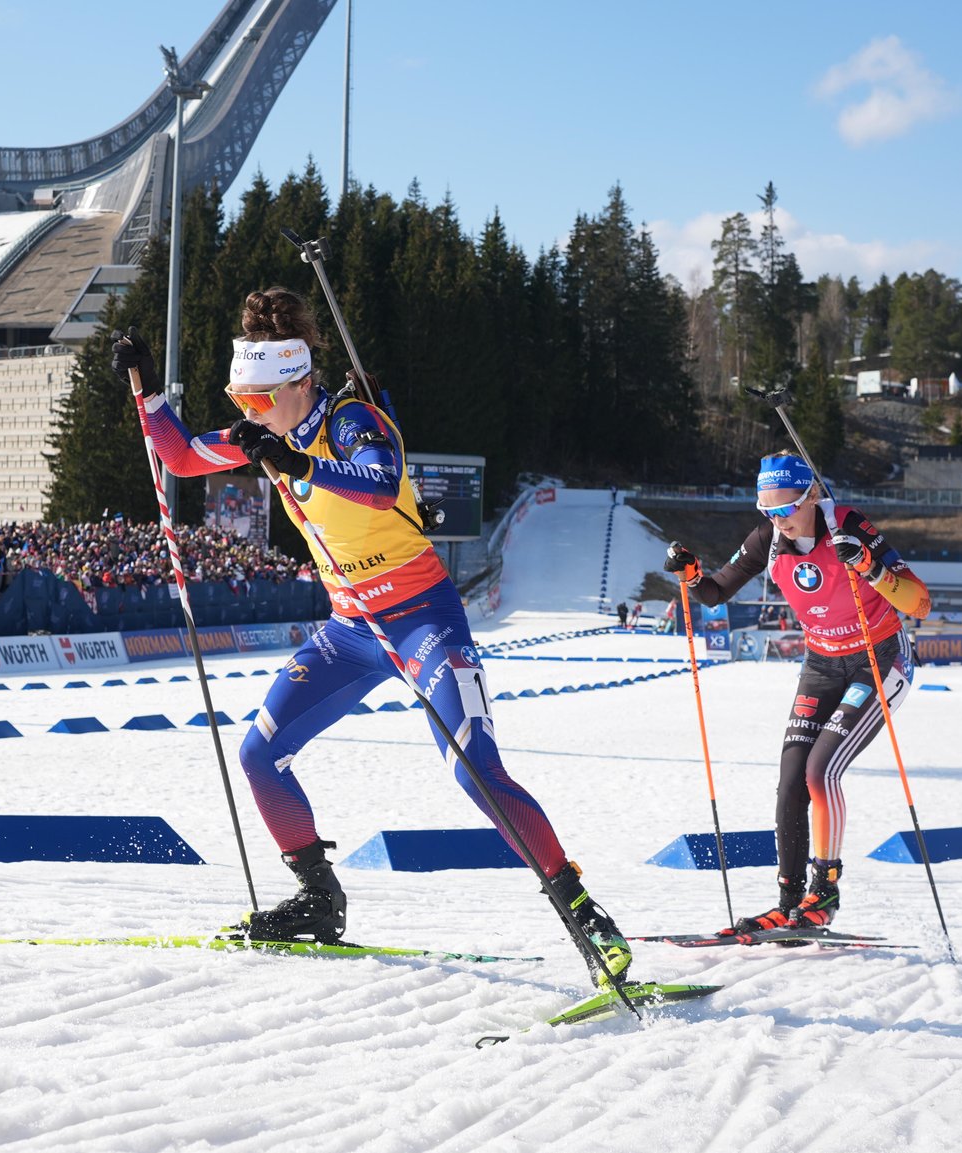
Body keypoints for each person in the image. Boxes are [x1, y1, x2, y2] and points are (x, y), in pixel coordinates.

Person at [113, 289, 634, 987]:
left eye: (261, 401)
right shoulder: (263, 431)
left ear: (301, 382)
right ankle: (317, 898)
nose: (249, 415)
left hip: (423, 618)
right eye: (242, 401)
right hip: (350, 627)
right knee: (260, 753)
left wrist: (294, 463)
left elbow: (382, 484)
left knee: (473, 767)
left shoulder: (352, 421)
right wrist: (147, 388)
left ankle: (583, 911)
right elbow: (177, 457)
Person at [663, 451, 932, 934]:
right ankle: (788, 902)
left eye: (786, 508)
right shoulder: (768, 536)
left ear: (811, 495)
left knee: (820, 769)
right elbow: (714, 592)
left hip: (879, 660)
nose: (778, 520)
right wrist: (690, 574)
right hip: (821, 665)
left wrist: (872, 568)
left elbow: (920, 602)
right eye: (767, 510)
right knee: (791, 781)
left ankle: (823, 891)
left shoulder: (847, 524)